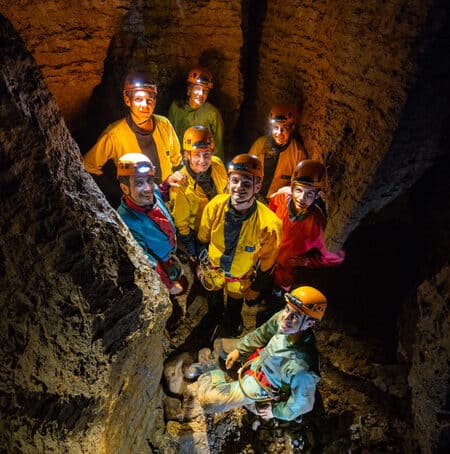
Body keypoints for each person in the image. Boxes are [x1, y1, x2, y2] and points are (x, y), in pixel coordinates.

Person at [185, 285, 327, 422]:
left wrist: (275, 411)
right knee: (221, 345)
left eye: (295, 316)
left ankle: (212, 371)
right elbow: (261, 334)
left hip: (263, 383)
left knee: (209, 401)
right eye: (287, 309)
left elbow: (302, 404)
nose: (285, 318)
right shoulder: (284, 321)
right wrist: (239, 350)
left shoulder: (302, 369)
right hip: (259, 358)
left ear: (309, 324)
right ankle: (221, 370)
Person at [196, 153, 282, 336]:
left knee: (235, 304)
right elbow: (203, 239)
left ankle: (231, 320)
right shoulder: (215, 206)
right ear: (227, 182)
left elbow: (267, 264)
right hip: (213, 270)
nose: (238, 188)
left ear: (258, 186)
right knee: (214, 299)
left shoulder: (268, 224)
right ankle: (214, 316)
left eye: (247, 184)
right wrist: (200, 263)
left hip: (240, 277)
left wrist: (256, 288)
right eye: (234, 181)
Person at [83, 71, 183, 205]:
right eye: (138, 99)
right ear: (127, 100)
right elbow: (89, 166)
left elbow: (176, 161)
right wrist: (117, 192)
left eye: (149, 100)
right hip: (137, 206)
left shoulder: (164, 125)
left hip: (168, 200)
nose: (145, 105)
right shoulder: (114, 134)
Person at [268, 159, 345, 301]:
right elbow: (270, 209)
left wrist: (307, 262)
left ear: (317, 195)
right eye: (299, 190)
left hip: (284, 275)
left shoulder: (316, 225)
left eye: (309, 194)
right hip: (267, 261)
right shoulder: (282, 197)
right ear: (292, 187)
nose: (302, 198)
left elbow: (336, 256)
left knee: (275, 298)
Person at [116, 153, 187, 296]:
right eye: (139, 183)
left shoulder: (152, 192)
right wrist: (169, 285)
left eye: (150, 180)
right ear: (124, 188)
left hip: (169, 255)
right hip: (159, 266)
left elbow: (159, 192)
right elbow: (146, 260)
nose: (148, 188)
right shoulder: (126, 221)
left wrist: (168, 183)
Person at [170, 125, 228, 262]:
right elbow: (181, 223)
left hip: (220, 226)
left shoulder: (217, 165)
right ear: (187, 155)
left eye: (206, 154)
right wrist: (191, 247)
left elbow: (227, 191)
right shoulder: (181, 185)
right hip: (199, 236)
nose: (203, 160)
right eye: (197, 155)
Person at [249, 102, 308, 201]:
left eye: (284, 128)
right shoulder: (260, 145)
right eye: (275, 128)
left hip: (277, 202)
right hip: (254, 197)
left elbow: (299, 185)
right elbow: (247, 170)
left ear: (292, 128)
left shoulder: (297, 152)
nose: (279, 133)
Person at [168, 67, 225, 161]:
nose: (201, 94)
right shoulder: (176, 107)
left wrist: (217, 168)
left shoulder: (212, 114)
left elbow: (218, 147)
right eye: (197, 89)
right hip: (179, 161)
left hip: (201, 163)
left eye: (205, 91)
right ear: (189, 90)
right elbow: (169, 136)